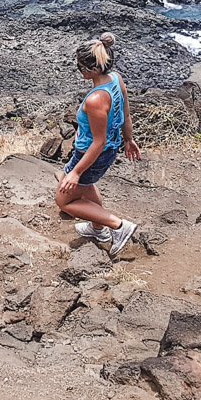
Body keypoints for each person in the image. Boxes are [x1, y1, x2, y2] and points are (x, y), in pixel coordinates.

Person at [55, 32, 141, 256]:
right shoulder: (115, 78)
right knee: (87, 187)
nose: (79, 70)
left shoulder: (95, 100)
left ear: (92, 70)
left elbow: (98, 142)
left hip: (92, 153)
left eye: (80, 66)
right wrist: (129, 140)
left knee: (63, 200)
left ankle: (119, 226)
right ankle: (97, 229)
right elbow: (126, 112)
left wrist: (76, 171)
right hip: (109, 150)